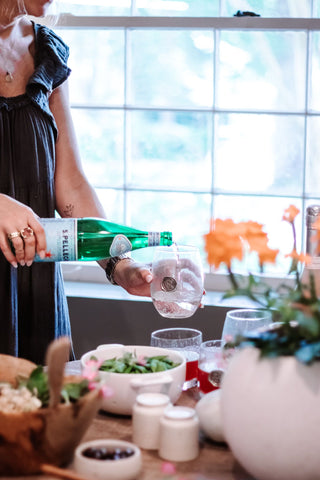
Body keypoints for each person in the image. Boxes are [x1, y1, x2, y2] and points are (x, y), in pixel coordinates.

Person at [0, 0, 153, 364]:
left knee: (48, 414)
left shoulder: (45, 50)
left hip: (34, 289)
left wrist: (120, 265)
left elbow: (70, 184)